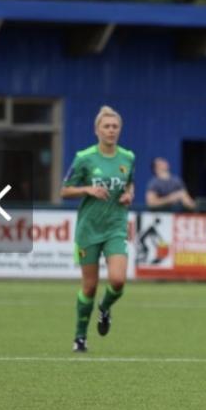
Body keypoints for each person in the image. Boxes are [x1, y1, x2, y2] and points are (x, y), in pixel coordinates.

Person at [60, 105, 135, 353]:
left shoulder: (128, 157)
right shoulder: (85, 158)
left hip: (115, 226)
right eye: (107, 126)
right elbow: (64, 190)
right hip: (89, 228)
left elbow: (129, 185)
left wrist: (128, 195)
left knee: (117, 280)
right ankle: (80, 337)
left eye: (115, 126)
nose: (111, 130)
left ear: (120, 129)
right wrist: (87, 189)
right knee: (89, 286)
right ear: (97, 130)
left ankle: (104, 309)